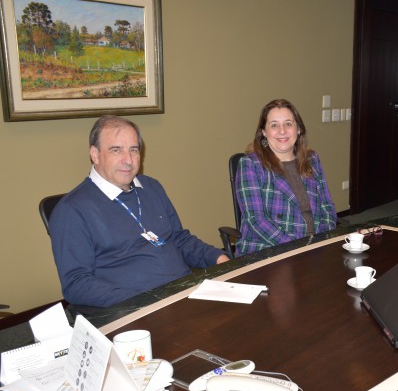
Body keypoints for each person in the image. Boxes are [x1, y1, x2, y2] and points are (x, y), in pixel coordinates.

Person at [50, 116, 229, 308]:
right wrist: (142, 301)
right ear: (95, 154)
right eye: (116, 150)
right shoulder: (72, 210)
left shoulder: (151, 187)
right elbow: (77, 284)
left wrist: (219, 258)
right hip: (135, 309)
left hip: (184, 293)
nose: (128, 160)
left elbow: (179, 239)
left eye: (134, 150)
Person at [235, 99, 337, 254]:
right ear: (264, 132)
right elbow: (256, 220)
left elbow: (327, 206)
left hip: (314, 247)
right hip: (269, 250)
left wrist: (321, 240)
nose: (282, 131)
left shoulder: (312, 159)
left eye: (288, 124)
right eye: (274, 125)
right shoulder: (250, 164)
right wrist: (297, 248)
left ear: (298, 129)